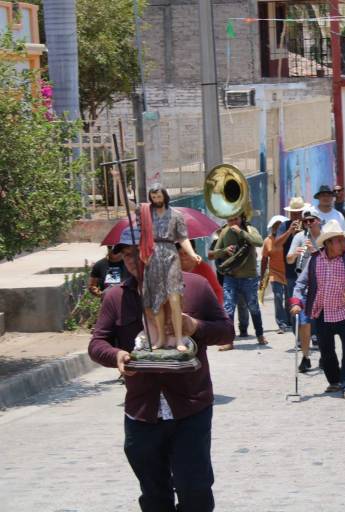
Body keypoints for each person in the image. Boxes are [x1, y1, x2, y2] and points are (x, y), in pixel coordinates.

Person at [88, 226, 234, 512]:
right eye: (126, 254)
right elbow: (97, 343)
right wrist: (116, 355)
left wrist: (195, 327)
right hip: (142, 411)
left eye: (138, 253)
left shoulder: (195, 287)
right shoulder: (115, 297)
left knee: (195, 490)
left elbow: (226, 332)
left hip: (190, 407)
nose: (132, 260)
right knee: (154, 495)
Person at [290, 220, 345, 400]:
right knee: (326, 351)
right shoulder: (314, 261)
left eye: (344, 240)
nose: (343, 244)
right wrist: (296, 302)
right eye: (339, 240)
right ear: (328, 243)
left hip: (344, 312)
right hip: (322, 313)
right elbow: (300, 284)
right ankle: (334, 381)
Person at [138, 183, 201, 351]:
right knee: (157, 300)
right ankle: (160, 338)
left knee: (174, 298)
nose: (156, 200)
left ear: (165, 196)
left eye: (159, 196)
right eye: (153, 197)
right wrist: (118, 182)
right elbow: (129, 206)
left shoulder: (176, 215)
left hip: (171, 254)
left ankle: (179, 338)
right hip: (153, 256)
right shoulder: (147, 213)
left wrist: (192, 253)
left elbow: (183, 238)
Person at [211, 212, 267, 346]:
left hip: (249, 278)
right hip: (231, 277)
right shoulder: (224, 232)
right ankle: (228, 340)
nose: (233, 222)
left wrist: (241, 233)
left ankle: (260, 335)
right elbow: (213, 254)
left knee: (253, 307)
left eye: (235, 219)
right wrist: (224, 251)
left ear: (242, 218)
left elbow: (259, 242)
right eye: (230, 220)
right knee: (228, 308)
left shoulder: (250, 230)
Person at [287, 207, 323, 371]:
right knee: (304, 323)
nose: (308, 224)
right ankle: (305, 357)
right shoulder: (300, 237)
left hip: (322, 285)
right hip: (303, 284)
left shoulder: (325, 237)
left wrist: (314, 251)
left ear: (318, 221)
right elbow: (288, 260)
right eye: (305, 221)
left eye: (311, 220)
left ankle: (325, 355)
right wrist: (296, 253)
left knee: (323, 323)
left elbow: (331, 259)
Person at [260, 215, 291, 334]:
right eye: (275, 226)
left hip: (288, 272)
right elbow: (264, 260)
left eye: (280, 226)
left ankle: (289, 321)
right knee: (278, 297)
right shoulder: (268, 241)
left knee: (289, 299)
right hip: (274, 273)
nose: (277, 228)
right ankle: (281, 323)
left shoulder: (287, 239)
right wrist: (262, 277)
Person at [281, 197, 309, 329]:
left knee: (310, 302)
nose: (296, 216)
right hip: (290, 271)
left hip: (307, 270)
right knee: (293, 303)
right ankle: (296, 332)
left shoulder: (308, 225)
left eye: (299, 213)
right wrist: (289, 232)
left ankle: (312, 333)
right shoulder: (284, 226)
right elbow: (275, 245)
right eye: (294, 213)